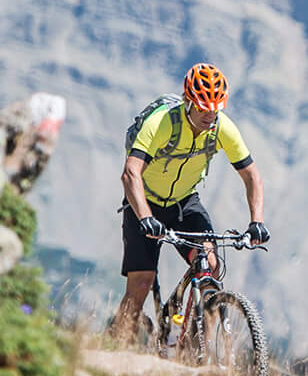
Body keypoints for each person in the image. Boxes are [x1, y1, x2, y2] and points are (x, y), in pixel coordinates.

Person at [113, 62, 268, 339]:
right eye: (202, 108)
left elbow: (252, 176)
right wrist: (146, 217)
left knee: (210, 266)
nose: (210, 115)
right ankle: (115, 345)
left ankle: (193, 348)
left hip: (184, 202)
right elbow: (130, 173)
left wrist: (257, 221)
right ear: (188, 102)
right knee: (141, 282)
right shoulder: (162, 123)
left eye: (215, 109)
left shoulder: (223, 128)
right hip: (144, 202)